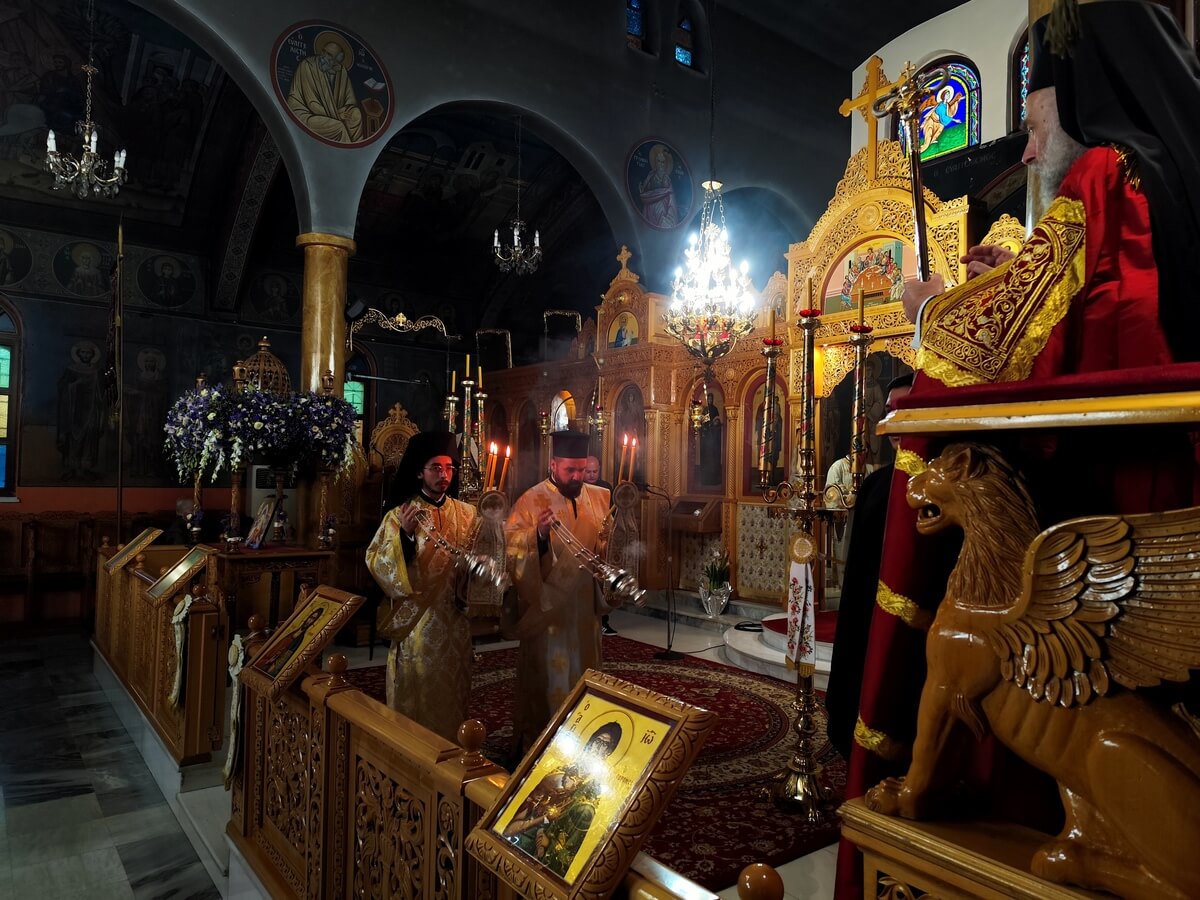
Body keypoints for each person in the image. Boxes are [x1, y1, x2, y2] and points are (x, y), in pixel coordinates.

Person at [839, 5, 1200, 896]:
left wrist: (928, 307)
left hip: (1114, 484)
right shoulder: (1169, 173)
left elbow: (1003, 336)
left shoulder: (1108, 174)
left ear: (1081, 99)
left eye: (1035, 126)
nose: (1030, 152)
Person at [505, 431, 615, 755]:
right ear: (553, 465)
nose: (578, 477)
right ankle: (542, 746)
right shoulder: (531, 499)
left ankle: (584, 743)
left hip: (584, 611)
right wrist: (538, 535)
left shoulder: (600, 497)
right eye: (570, 470)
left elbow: (605, 547)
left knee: (585, 675)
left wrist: (610, 547)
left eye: (581, 469)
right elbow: (511, 548)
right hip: (548, 613)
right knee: (550, 681)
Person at [366, 431, 479, 742]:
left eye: (449, 468)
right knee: (419, 689)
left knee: (454, 689)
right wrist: (404, 535)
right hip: (418, 623)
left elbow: (476, 561)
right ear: (419, 472)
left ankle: (453, 749)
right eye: (436, 468)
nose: (444, 475)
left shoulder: (467, 514)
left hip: (454, 621)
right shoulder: (400, 515)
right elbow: (376, 561)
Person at [823, 374, 912, 761]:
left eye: (905, 410)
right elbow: (857, 583)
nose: (893, 422)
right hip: (872, 624)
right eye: (889, 411)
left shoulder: (953, 483)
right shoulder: (877, 486)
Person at [500, 721, 622, 877]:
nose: (599, 747)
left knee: (586, 810)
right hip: (527, 832)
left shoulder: (594, 790)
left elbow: (578, 830)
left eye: (606, 745)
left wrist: (549, 841)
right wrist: (541, 821)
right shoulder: (559, 773)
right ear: (591, 741)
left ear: (609, 751)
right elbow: (512, 826)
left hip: (552, 848)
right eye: (598, 741)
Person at [286, 33, 364, 144]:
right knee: (338, 126)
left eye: (329, 55)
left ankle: (357, 147)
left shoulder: (341, 71)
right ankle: (348, 153)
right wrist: (337, 115)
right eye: (324, 52)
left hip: (332, 112)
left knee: (356, 114)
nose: (324, 56)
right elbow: (312, 104)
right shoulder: (308, 65)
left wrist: (346, 110)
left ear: (337, 60)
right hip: (307, 114)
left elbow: (349, 99)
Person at [583, 456, 617, 635]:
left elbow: (611, 514)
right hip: (583, 539)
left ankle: (603, 621)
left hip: (602, 541)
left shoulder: (605, 488)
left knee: (602, 581)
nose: (591, 475)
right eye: (588, 471)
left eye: (594, 471)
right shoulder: (577, 488)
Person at [637, 144, 679, 228]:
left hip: (662, 208)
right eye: (659, 161)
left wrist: (669, 216)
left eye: (663, 162)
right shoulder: (650, 176)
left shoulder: (667, 179)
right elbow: (646, 193)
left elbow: (670, 196)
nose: (661, 164)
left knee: (661, 213)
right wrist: (643, 192)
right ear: (655, 163)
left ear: (665, 164)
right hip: (650, 208)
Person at [698, 392, 723, 487]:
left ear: (713, 399)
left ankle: (714, 479)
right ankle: (706, 479)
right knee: (707, 459)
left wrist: (715, 423)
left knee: (713, 458)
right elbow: (702, 422)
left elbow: (717, 420)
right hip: (706, 438)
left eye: (711, 399)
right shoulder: (705, 410)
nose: (710, 400)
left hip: (714, 438)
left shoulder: (715, 409)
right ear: (707, 399)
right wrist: (705, 427)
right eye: (708, 399)